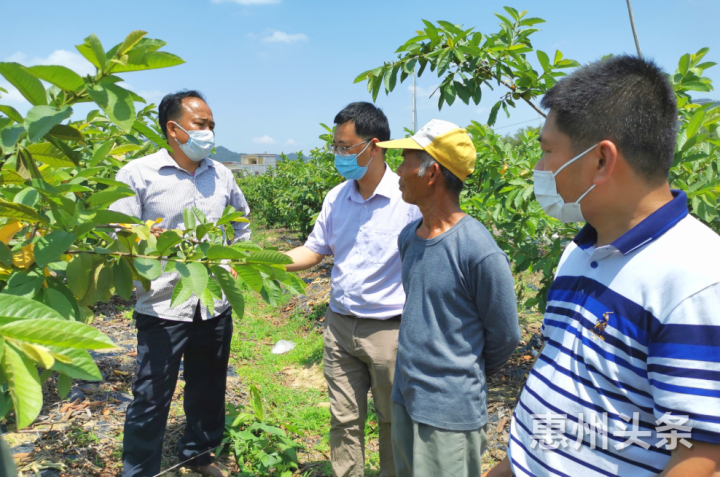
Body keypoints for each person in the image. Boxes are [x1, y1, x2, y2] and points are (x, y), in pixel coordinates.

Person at [486, 56, 720, 477]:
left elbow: (701, 457)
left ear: (601, 161)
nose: (538, 169)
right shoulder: (578, 253)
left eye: (546, 151)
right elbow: (561, 387)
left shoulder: (694, 279)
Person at [110, 90, 250, 477]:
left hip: (214, 303)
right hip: (162, 305)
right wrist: (146, 245)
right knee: (152, 396)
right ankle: (139, 469)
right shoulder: (137, 174)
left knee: (208, 388)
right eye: (200, 125)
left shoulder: (221, 174)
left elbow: (241, 224)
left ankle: (199, 455)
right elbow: (118, 237)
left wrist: (236, 258)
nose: (209, 133)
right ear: (174, 129)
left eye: (211, 126)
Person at [284, 102, 421, 477]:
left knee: (394, 421)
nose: (339, 155)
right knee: (344, 420)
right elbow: (314, 250)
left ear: (373, 146)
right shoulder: (336, 197)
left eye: (345, 147)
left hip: (389, 331)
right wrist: (263, 261)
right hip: (340, 327)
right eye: (336, 147)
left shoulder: (408, 200)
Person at [378, 119, 521, 477]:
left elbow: (505, 335)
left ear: (431, 173)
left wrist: (459, 372)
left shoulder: (477, 249)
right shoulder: (409, 237)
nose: (397, 170)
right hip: (406, 396)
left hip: (449, 413)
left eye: (406, 159)